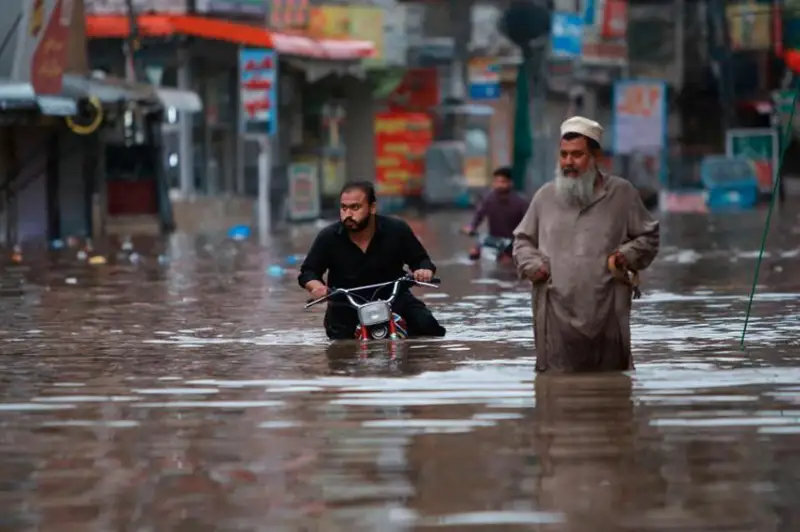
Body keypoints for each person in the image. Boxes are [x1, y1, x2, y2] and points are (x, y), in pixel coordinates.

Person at [512, 116, 659, 372]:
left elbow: (649, 236)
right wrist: (533, 265)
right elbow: (522, 241)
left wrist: (625, 256)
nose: (568, 162)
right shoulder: (545, 196)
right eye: (564, 154)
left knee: (612, 390)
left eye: (577, 155)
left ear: (594, 157)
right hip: (554, 315)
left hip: (607, 313)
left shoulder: (621, 194)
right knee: (555, 394)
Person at [299, 181, 446, 339]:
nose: (348, 214)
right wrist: (317, 288)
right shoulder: (328, 237)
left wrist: (423, 271)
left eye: (355, 207)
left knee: (428, 327)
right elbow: (308, 272)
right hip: (346, 305)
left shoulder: (396, 229)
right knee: (341, 345)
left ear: (372, 207)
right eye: (344, 208)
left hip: (395, 299)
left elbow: (421, 260)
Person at [461, 166, 528, 260]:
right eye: (497, 182)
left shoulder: (520, 203)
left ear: (510, 183)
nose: (499, 185)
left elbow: (529, 225)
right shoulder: (489, 199)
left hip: (513, 242)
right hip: (493, 240)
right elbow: (479, 215)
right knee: (473, 253)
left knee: (508, 262)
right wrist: (472, 227)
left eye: (503, 182)